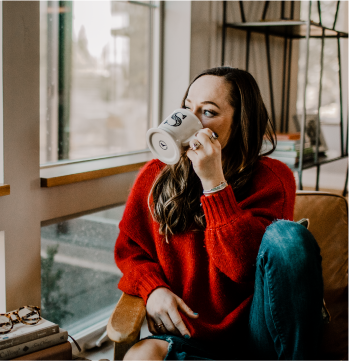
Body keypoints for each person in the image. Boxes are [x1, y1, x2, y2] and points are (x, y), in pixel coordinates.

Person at [114, 67, 324, 360]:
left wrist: (214, 184)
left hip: (258, 337)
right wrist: (152, 289)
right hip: (190, 336)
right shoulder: (156, 175)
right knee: (140, 356)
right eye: (188, 108)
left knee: (289, 236)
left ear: (240, 123)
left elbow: (240, 267)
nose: (191, 120)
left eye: (208, 112)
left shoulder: (273, 178)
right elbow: (130, 251)